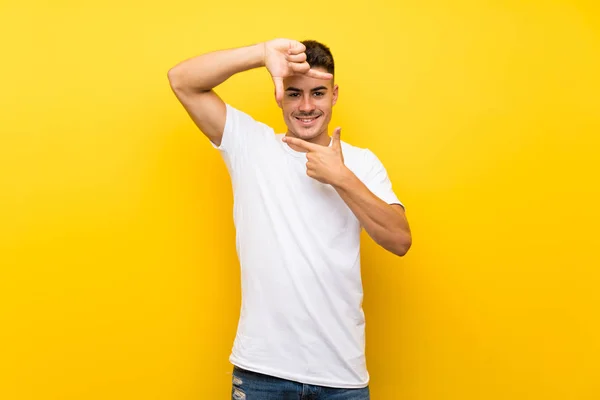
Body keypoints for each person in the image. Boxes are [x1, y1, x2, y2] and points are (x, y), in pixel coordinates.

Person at [168, 38, 412, 400]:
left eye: (318, 93)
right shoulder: (250, 145)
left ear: (334, 95)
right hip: (262, 372)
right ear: (280, 93)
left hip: (341, 376)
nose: (307, 106)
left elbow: (400, 240)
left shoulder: (361, 163)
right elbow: (182, 80)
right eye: (294, 93)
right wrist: (262, 53)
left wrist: (341, 177)